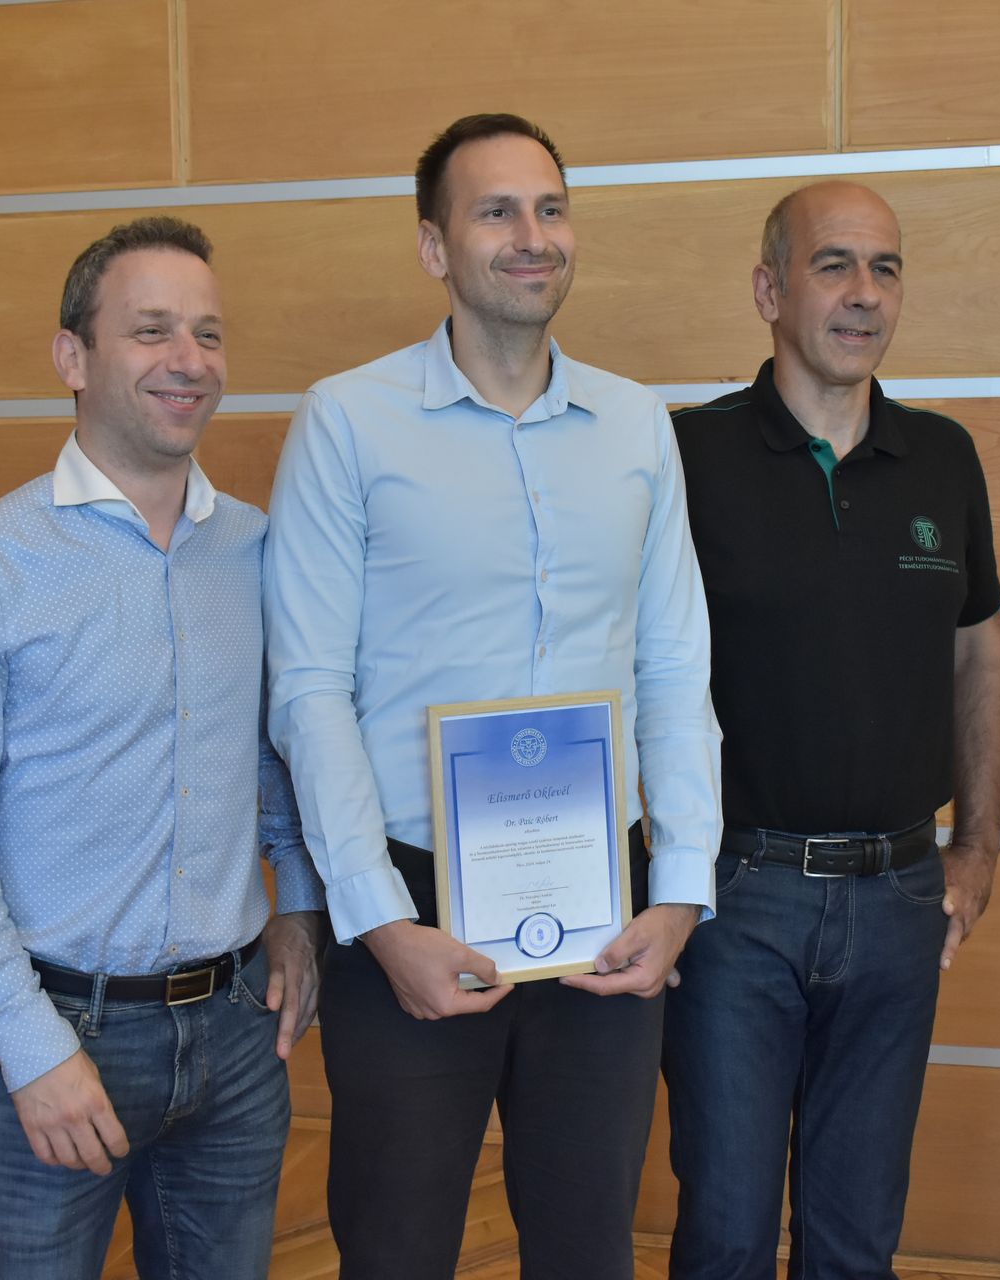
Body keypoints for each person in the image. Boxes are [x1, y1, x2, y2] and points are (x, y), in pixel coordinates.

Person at [263, 113, 722, 1280]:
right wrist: (377, 921)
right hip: (408, 905)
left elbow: (675, 666)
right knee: (398, 1249)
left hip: (605, 908)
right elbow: (308, 687)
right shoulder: (347, 420)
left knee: (587, 1247)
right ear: (435, 246)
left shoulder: (634, 424)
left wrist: (679, 890)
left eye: (551, 208)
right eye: (497, 211)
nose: (533, 235)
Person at [0, 215, 325, 1280]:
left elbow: (280, 759)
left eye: (208, 334)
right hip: (50, 1034)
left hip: (236, 1035)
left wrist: (302, 908)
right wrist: (31, 1049)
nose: (189, 361)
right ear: (72, 357)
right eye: (151, 330)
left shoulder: (256, 549)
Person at [663, 181, 1000, 1279]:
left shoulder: (943, 456)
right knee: (726, 1233)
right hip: (735, 902)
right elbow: (621, 665)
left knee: (857, 1242)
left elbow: (982, 648)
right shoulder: (684, 456)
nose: (864, 293)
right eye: (834, 265)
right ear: (770, 290)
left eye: (886, 268)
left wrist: (978, 846)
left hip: (901, 898)